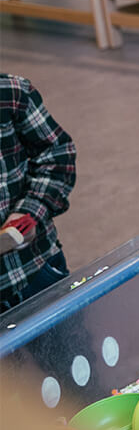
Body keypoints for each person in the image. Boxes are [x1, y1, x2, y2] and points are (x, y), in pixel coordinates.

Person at [0, 75, 75, 313]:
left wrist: (30, 210)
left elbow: (57, 154)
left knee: (69, 346)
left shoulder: (11, 93)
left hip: (35, 268)